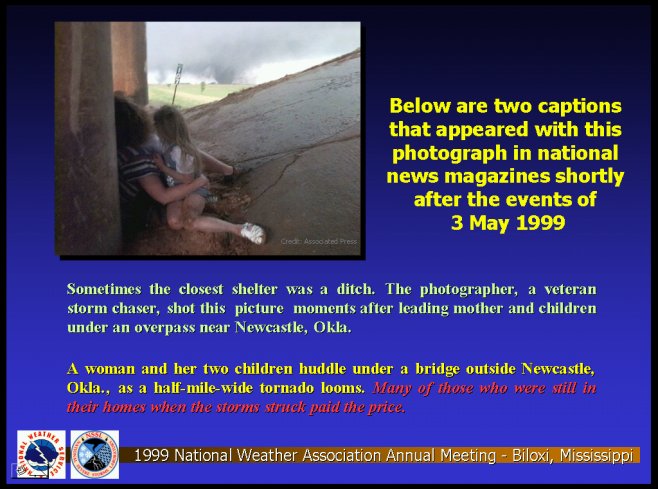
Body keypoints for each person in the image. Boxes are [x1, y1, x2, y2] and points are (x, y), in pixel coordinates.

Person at [152, 105, 266, 245]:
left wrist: (163, 168)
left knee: (189, 221)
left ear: (164, 131)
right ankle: (207, 202)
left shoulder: (181, 152)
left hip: (193, 186)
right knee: (174, 222)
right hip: (177, 190)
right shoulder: (164, 143)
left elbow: (187, 180)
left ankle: (239, 228)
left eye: (157, 128)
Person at [114, 94, 208, 241]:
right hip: (136, 206)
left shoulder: (144, 141)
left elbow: (186, 150)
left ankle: (226, 170)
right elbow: (163, 197)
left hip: (160, 180)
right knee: (176, 218)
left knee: (180, 149)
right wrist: (199, 181)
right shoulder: (137, 157)